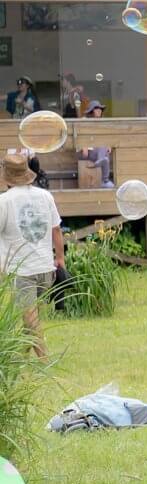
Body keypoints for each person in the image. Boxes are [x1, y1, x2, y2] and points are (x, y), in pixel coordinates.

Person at [0, 153, 64, 359]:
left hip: (22, 271)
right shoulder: (46, 196)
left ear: (6, 176)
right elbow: (56, 230)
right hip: (45, 268)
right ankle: (19, 358)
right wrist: (60, 259)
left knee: (31, 320)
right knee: (31, 318)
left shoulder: (4, 201)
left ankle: (46, 363)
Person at [76, 101, 113, 188]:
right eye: (97, 108)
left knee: (105, 152)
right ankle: (105, 179)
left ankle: (105, 180)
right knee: (103, 150)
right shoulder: (84, 121)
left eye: (100, 108)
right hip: (86, 152)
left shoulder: (102, 123)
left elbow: (106, 137)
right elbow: (79, 134)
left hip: (98, 151)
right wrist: (83, 145)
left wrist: (109, 145)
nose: (99, 110)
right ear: (91, 111)